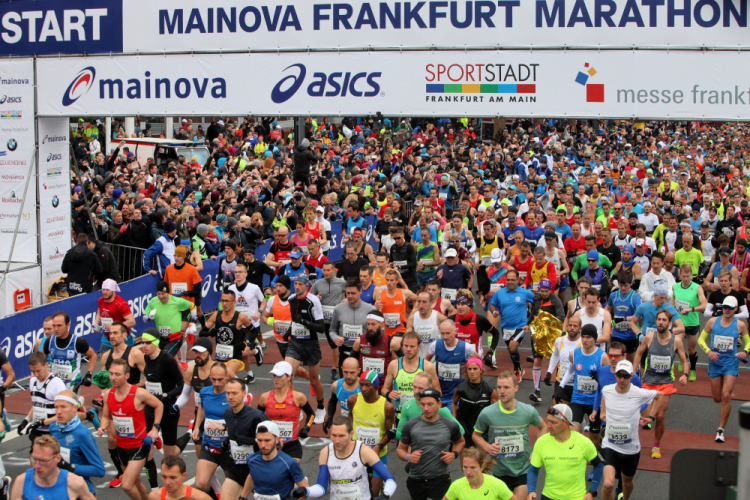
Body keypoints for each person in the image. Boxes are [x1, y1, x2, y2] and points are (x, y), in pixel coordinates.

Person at [472, 371, 547, 500]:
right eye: (499, 387)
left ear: (516, 388)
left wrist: (536, 451)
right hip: (499, 472)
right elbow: (475, 435)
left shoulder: (527, 411)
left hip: (522, 471)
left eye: (506, 387)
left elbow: (543, 427)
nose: (502, 391)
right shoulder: (487, 413)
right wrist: (488, 447)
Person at [96, 358, 163, 500]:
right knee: (136, 483)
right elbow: (106, 416)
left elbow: (159, 405)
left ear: (127, 376)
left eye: (117, 374)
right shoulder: (109, 394)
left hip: (138, 446)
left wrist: (155, 428)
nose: (113, 378)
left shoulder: (138, 393)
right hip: (121, 446)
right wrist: (102, 426)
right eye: (111, 374)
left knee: (126, 485)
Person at [599, 360, 663, 500]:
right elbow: (604, 397)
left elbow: (660, 396)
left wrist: (651, 417)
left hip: (630, 449)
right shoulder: (607, 390)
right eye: (619, 375)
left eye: (626, 376)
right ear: (615, 375)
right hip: (610, 445)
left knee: (627, 483)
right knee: (608, 484)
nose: (622, 379)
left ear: (631, 376)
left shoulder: (638, 393)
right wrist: (603, 413)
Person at [294, 416, 397, 500]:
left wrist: (385, 495)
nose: (337, 441)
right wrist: (306, 490)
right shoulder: (326, 452)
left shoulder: (363, 451)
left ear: (351, 434)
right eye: (334, 435)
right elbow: (321, 488)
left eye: (341, 436)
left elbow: (390, 479)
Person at [633, 310, 689, 459]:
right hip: (648, 382)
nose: (661, 322)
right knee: (645, 417)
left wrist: (685, 374)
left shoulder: (676, 341)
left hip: (665, 383)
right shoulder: (649, 337)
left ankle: (656, 446)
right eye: (659, 319)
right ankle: (632, 442)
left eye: (664, 320)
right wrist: (633, 372)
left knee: (660, 416)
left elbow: (684, 360)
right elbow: (639, 353)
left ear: (670, 323)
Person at [98, 322, 147, 487]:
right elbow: (104, 379)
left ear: (124, 335)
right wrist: (103, 392)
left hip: (132, 405)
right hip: (113, 402)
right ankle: (122, 472)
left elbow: (149, 375)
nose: (111, 336)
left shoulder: (134, 353)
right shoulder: (106, 356)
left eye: (115, 333)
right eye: (110, 333)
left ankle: (138, 468)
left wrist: (135, 388)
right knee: (112, 438)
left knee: (133, 438)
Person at [397, 387, 466, 500]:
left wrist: (454, 454)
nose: (426, 408)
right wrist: (408, 456)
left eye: (430, 404)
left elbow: (460, 441)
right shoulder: (410, 425)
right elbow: (400, 449)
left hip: (440, 479)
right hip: (416, 479)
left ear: (439, 404)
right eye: (423, 404)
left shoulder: (450, 425)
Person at [699, 296, 750, 443]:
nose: (727, 310)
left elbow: (748, 343)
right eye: (725, 307)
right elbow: (700, 339)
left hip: (731, 363)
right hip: (715, 363)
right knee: (717, 398)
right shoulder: (712, 322)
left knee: (726, 396)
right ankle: (725, 394)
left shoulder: (740, 325)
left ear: (736, 309)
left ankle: (720, 430)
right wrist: (709, 352)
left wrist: (744, 352)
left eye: (730, 308)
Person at [526, 404, 604, 500]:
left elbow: (599, 464)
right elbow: (533, 469)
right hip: (548, 497)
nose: (549, 426)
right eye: (548, 421)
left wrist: (592, 492)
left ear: (566, 423)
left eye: (554, 422)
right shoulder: (541, 442)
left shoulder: (583, 442)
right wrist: (531, 490)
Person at [285, 274, 327, 423]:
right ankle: (298, 407)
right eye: (295, 284)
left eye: (300, 284)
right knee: (286, 376)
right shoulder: (291, 299)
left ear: (307, 286)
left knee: (314, 381)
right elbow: (293, 320)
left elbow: (321, 327)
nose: (297, 287)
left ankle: (321, 407)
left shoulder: (313, 301)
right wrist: (289, 331)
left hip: (311, 344)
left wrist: (303, 321)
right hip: (295, 343)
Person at [560, 324, 609, 448]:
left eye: (588, 337)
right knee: (573, 434)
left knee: (595, 441)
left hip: (595, 403)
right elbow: (571, 370)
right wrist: (561, 385)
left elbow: (608, 380)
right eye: (583, 337)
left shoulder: (603, 357)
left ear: (595, 339)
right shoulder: (574, 354)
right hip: (578, 400)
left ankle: (595, 459)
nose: (585, 340)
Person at [348, 370, 396, 495]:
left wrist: (379, 446)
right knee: (356, 491)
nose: (363, 388)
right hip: (357, 452)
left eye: (368, 385)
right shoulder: (353, 400)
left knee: (373, 493)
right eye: (361, 385)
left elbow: (389, 432)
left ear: (376, 386)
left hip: (377, 453)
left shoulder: (387, 407)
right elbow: (350, 417)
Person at [49, 390, 106, 495]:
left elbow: (99, 470)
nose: (58, 411)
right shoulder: (53, 427)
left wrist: (70, 467)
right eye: (56, 407)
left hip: (80, 492)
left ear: (74, 408)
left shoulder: (82, 434)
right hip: (58, 491)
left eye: (63, 407)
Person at [221, 378, 270, 500]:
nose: (230, 397)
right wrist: (228, 440)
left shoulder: (257, 416)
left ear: (244, 393)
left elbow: (275, 441)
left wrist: (252, 441)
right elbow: (235, 432)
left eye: (234, 393)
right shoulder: (227, 413)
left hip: (256, 469)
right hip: (236, 467)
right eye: (228, 393)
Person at [257, 361, 316, 462]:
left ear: (289, 377)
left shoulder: (298, 397)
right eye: (274, 376)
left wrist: (307, 427)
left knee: (291, 469)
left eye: (279, 376)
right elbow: (257, 418)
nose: (276, 379)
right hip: (271, 446)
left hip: (292, 445)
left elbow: (311, 414)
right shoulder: (265, 397)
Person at [140, 329, 185, 458]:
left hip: (167, 408)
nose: (144, 346)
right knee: (147, 449)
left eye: (148, 343)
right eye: (143, 343)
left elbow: (181, 386)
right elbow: (150, 381)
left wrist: (165, 395)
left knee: (170, 454)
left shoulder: (167, 359)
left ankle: (188, 433)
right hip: (151, 408)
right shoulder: (146, 358)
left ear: (156, 343)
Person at [191, 362, 232, 500]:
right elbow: (201, 408)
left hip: (229, 448)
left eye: (220, 379)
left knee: (231, 488)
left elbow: (241, 419)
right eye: (213, 379)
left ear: (227, 376)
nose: (216, 383)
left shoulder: (232, 394)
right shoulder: (204, 392)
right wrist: (197, 427)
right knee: (200, 484)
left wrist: (224, 427)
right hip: (209, 445)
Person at [11, 434, 95, 500]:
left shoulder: (75, 483)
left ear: (57, 458)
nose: (37, 465)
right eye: (34, 459)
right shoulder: (22, 482)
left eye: (43, 461)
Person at [239, 421, 309, 500]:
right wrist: (242, 497)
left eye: (267, 440)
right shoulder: (251, 459)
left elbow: (306, 490)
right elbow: (252, 475)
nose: (263, 445)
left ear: (277, 440)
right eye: (259, 440)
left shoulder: (289, 463)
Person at [382, 331, 440, 423]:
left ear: (419, 347)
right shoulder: (394, 365)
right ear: (402, 346)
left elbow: (438, 392)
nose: (408, 349)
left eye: (412, 346)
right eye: (406, 346)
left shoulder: (427, 366)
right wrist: (389, 394)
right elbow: (384, 389)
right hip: (401, 415)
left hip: (422, 416)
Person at [489, 269, 535, 383]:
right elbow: (492, 304)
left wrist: (533, 316)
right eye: (508, 280)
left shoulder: (525, 293)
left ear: (518, 280)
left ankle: (516, 370)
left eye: (513, 280)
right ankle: (519, 368)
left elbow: (536, 303)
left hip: (520, 325)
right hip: (505, 325)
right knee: (511, 350)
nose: (510, 282)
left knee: (512, 347)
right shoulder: (500, 293)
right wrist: (494, 312)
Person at [202, 290, 258, 382]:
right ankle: (241, 386)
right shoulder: (216, 316)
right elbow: (202, 333)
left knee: (225, 377)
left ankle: (256, 351)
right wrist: (211, 333)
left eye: (227, 301)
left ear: (234, 302)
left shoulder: (240, 317)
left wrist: (246, 342)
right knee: (215, 381)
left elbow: (253, 331)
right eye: (222, 300)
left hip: (235, 357)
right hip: (220, 357)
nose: (224, 304)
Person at [526, 279, 564, 402]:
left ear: (550, 290)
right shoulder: (536, 298)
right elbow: (533, 313)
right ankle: (537, 391)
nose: (544, 293)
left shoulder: (555, 300)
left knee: (556, 361)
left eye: (546, 291)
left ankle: (558, 389)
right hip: (537, 334)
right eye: (542, 291)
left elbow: (561, 317)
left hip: (550, 336)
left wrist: (546, 321)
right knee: (537, 360)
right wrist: (528, 324)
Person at [227, 262, 267, 378]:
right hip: (237, 325)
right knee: (240, 351)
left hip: (251, 325)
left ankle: (256, 351)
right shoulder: (231, 289)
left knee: (244, 351)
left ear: (246, 274)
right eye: (236, 272)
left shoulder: (254, 288)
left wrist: (259, 312)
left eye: (240, 272)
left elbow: (263, 301)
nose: (237, 274)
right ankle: (250, 375)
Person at [426, 319, 477, 409]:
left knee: (451, 416)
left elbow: (479, 363)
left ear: (455, 331)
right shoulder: (435, 345)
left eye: (448, 333)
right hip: (440, 393)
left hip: (458, 394)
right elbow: (425, 362)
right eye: (443, 333)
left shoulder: (466, 347)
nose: (445, 336)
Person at [18, 352, 67, 445]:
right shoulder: (32, 381)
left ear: (46, 365)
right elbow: (36, 404)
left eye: (38, 371)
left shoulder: (57, 384)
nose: (36, 374)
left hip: (53, 431)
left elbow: (64, 413)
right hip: (38, 430)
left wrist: (43, 422)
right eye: (33, 371)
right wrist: (26, 420)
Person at [331, 278, 377, 375]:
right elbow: (332, 330)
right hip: (345, 352)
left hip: (364, 353)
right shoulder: (338, 309)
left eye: (353, 293)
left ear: (360, 291)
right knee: (345, 381)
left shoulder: (370, 309)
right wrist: (336, 338)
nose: (350, 296)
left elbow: (378, 332)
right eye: (348, 293)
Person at [311, 261, 347, 380]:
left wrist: (346, 299)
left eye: (328, 270)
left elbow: (352, 293)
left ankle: (335, 368)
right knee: (333, 345)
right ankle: (336, 366)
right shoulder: (318, 283)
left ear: (334, 270)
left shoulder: (342, 283)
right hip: (326, 320)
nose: (326, 272)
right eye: (324, 270)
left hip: (339, 319)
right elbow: (310, 298)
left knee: (338, 344)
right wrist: (317, 298)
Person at [44, 311, 97, 391]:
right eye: (54, 326)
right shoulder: (49, 342)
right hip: (55, 383)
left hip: (72, 384)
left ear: (68, 325)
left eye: (59, 325)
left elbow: (93, 355)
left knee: (68, 399)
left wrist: (89, 374)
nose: (56, 329)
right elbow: (41, 358)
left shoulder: (77, 342)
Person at [672, 263, 708, 381]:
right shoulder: (675, 287)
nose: (686, 279)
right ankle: (683, 360)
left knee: (691, 349)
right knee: (676, 344)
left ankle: (692, 369)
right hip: (680, 322)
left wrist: (691, 309)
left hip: (692, 322)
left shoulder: (697, 288)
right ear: (680, 275)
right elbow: (673, 303)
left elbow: (704, 305)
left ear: (691, 275)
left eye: (688, 276)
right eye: (684, 276)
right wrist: (670, 317)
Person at [452, 358, 497, 444]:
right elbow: (454, 403)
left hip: (482, 429)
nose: (472, 372)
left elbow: (497, 407)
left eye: (475, 369)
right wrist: (454, 419)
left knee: (481, 452)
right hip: (465, 428)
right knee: (465, 453)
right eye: (469, 369)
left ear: (481, 370)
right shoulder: (461, 388)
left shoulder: (489, 389)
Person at [143, 280, 194, 357]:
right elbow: (145, 319)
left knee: (164, 357)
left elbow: (192, 306)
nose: (160, 296)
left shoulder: (177, 301)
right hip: (161, 338)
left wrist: (193, 323)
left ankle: (183, 360)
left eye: (163, 294)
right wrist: (148, 317)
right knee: (152, 357)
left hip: (175, 338)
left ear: (168, 293)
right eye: (158, 294)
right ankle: (178, 365)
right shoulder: (153, 301)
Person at [443, 448, 517, 500]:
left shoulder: (497, 485)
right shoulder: (457, 486)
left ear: (482, 467)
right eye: (465, 467)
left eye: (473, 468)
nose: (468, 472)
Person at [449, 290, 499, 366]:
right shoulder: (451, 320)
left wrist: (490, 352)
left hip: (475, 361)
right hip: (456, 360)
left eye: (463, 304)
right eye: (458, 304)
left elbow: (496, 333)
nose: (459, 307)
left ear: (469, 304)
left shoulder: (479, 320)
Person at [545, 315, 583, 405]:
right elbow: (555, 355)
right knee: (558, 409)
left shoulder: (583, 343)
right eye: (570, 325)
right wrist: (549, 372)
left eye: (575, 326)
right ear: (566, 326)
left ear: (580, 328)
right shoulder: (559, 341)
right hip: (561, 382)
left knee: (574, 412)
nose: (572, 328)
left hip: (576, 385)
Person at [607, 270, 643, 362]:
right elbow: (607, 309)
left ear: (631, 284)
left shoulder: (635, 296)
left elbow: (639, 314)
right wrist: (608, 320)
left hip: (631, 335)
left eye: (626, 286)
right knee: (615, 361)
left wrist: (623, 319)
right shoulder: (613, 295)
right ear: (618, 283)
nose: (623, 288)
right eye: (621, 285)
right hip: (617, 334)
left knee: (630, 363)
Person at [95, 279, 136, 352]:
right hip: (107, 338)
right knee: (105, 358)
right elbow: (100, 311)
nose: (105, 292)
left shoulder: (121, 304)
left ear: (113, 290)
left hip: (122, 339)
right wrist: (96, 323)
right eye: (103, 289)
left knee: (123, 359)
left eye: (107, 290)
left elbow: (132, 322)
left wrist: (113, 326)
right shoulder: (101, 300)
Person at [375, 269, 418, 337]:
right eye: (387, 280)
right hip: (386, 330)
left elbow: (417, 300)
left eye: (391, 280)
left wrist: (412, 313)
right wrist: (376, 307)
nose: (389, 283)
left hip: (401, 329)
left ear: (397, 281)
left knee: (395, 342)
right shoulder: (380, 293)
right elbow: (377, 310)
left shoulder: (404, 293)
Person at [323, 358, 361, 433]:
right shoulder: (336, 386)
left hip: (361, 425)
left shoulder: (363, 387)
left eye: (352, 372)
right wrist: (330, 418)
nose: (348, 376)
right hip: (346, 424)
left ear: (358, 371)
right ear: (341, 369)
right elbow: (333, 401)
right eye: (345, 372)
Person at [407, 291, 447, 357]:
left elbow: (449, 337)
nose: (421, 305)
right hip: (419, 358)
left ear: (431, 303)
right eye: (419, 301)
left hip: (435, 358)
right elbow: (407, 339)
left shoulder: (440, 318)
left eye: (424, 302)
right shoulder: (412, 318)